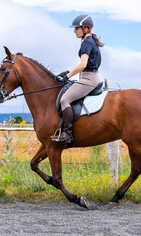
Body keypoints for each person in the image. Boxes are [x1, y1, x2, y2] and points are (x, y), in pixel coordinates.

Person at [51, 14, 104, 143]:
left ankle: (67, 133)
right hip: (88, 76)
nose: (74, 31)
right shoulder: (90, 41)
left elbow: (83, 65)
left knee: (64, 100)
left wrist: (67, 75)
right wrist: (67, 72)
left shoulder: (86, 43)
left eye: (77, 28)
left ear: (85, 29)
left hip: (88, 79)